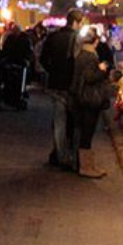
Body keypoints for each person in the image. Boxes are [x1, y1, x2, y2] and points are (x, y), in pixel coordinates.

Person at [40, 9, 83, 169]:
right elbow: (78, 62)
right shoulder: (76, 38)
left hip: (55, 83)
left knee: (59, 121)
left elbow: (43, 58)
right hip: (70, 85)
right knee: (73, 122)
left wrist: (52, 70)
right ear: (77, 22)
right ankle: (70, 156)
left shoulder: (53, 37)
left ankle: (59, 155)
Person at [70, 32, 112, 178]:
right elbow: (89, 77)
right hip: (89, 99)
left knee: (85, 133)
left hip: (82, 98)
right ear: (95, 42)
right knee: (87, 133)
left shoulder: (82, 54)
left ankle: (89, 165)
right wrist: (101, 69)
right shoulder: (89, 56)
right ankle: (86, 167)